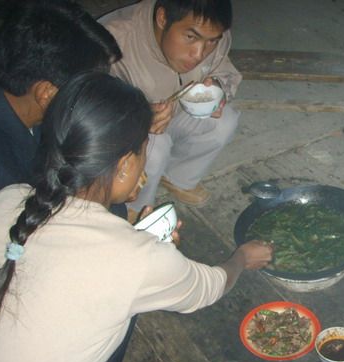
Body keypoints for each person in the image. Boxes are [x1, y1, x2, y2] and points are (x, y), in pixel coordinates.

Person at [0, 72, 272, 362]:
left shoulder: (9, 201)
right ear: (124, 165)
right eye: (144, 151)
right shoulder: (138, 259)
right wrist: (241, 257)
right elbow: (210, 287)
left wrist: (136, 243)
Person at [100, 0, 242, 220]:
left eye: (211, 41)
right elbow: (84, 107)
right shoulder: (112, 40)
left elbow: (224, 69)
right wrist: (136, 115)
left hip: (176, 113)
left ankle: (178, 177)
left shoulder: (213, 30)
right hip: (122, 130)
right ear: (162, 18)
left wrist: (220, 88)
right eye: (191, 37)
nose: (199, 54)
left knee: (224, 121)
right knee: (155, 149)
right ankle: (134, 207)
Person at [0, 0, 121, 200]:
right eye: (87, 88)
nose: (92, 97)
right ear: (46, 93)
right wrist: (105, 194)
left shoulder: (24, 100)